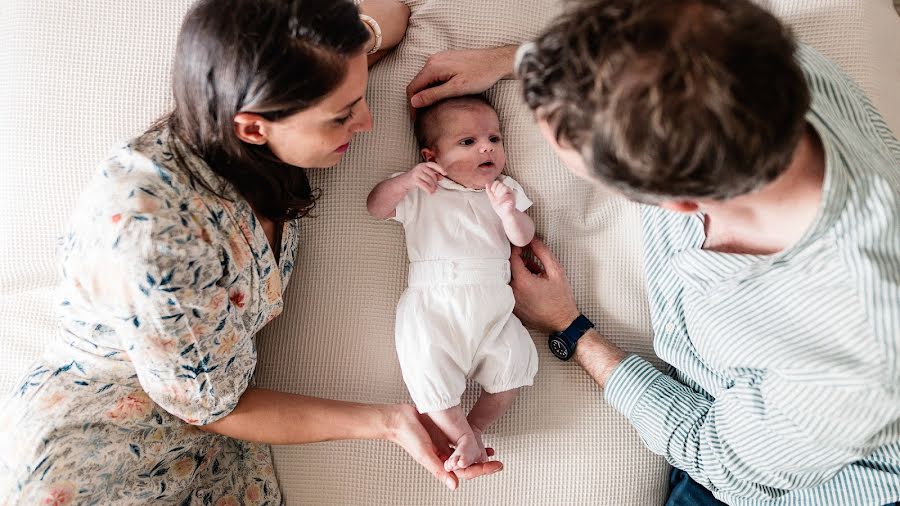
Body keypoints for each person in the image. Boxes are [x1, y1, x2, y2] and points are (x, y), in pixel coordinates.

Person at [0, 0, 501, 503]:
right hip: (100, 457)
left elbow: (389, 14)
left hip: (204, 432)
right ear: (253, 127)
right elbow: (217, 408)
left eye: (359, 96)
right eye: (343, 115)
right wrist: (390, 423)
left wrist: (491, 56)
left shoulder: (278, 100)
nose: (367, 122)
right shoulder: (156, 245)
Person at [407, 0, 900, 505]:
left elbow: (719, 460)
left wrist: (572, 329)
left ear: (677, 204)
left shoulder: (852, 358)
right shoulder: (769, 66)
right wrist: (522, 61)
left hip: (796, 472)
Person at [367, 95, 538, 472]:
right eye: (468, 142)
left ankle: (474, 427)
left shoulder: (504, 190)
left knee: (515, 360)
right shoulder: (421, 190)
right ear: (432, 157)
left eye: (494, 138)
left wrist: (510, 212)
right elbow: (376, 207)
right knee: (426, 366)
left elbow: (523, 238)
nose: (486, 147)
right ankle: (458, 432)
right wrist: (405, 180)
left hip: (493, 304)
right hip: (434, 304)